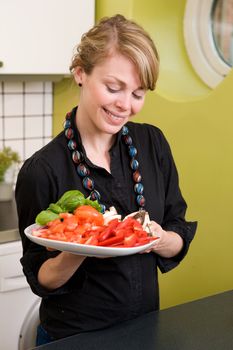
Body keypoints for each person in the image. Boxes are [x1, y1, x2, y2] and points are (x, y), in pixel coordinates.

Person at [15, 14, 197, 346]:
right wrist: (83, 247)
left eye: (138, 94)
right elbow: (41, 277)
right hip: (74, 339)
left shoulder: (152, 144)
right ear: (81, 73)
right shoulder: (42, 170)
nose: (125, 105)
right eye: (114, 88)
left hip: (144, 331)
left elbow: (178, 228)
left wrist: (158, 238)